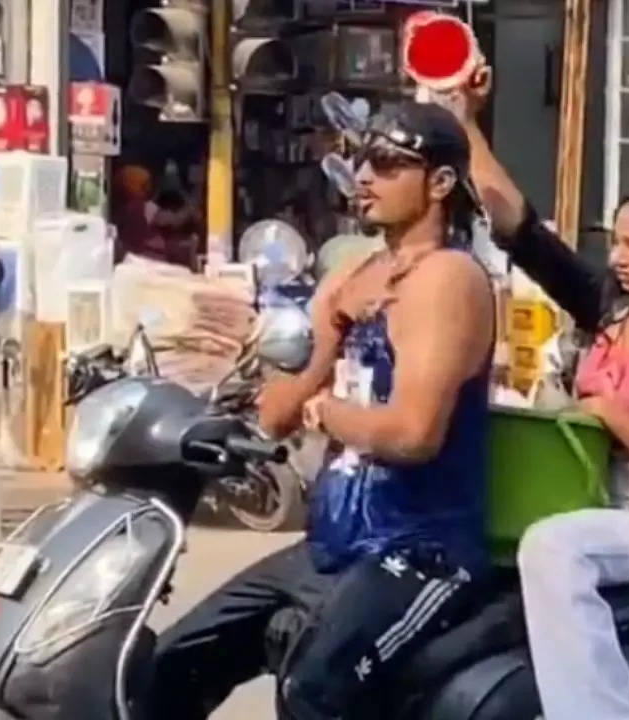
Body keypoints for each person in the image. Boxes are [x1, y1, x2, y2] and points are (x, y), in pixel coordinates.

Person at [148, 101, 496, 720]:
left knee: (314, 691)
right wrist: (332, 320)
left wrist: (327, 412)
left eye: (388, 164)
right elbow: (275, 413)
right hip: (332, 546)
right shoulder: (353, 276)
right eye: (362, 161)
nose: (364, 177)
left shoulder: (450, 281)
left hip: (420, 552)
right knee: (172, 664)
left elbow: (413, 435)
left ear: (440, 183)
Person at [459, 68, 629, 720]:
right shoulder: (611, 311)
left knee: (554, 549)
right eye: (617, 242)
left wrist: (608, 411)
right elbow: (522, 232)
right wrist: (467, 119)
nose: (620, 258)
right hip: (599, 497)